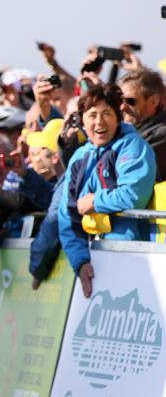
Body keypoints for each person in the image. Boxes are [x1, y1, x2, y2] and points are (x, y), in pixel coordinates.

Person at [58, 84, 156, 298]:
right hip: (93, 258)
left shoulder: (133, 146)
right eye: (92, 115)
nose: (99, 122)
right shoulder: (79, 156)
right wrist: (80, 261)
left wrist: (95, 201)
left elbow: (133, 196)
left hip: (129, 255)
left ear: (118, 118)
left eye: (107, 114)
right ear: (82, 120)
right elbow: (67, 215)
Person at [118, 69, 166, 182]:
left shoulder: (160, 136)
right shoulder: (126, 134)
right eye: (120, 101)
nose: (122, 107)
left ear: (154, 101)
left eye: (130, 101)